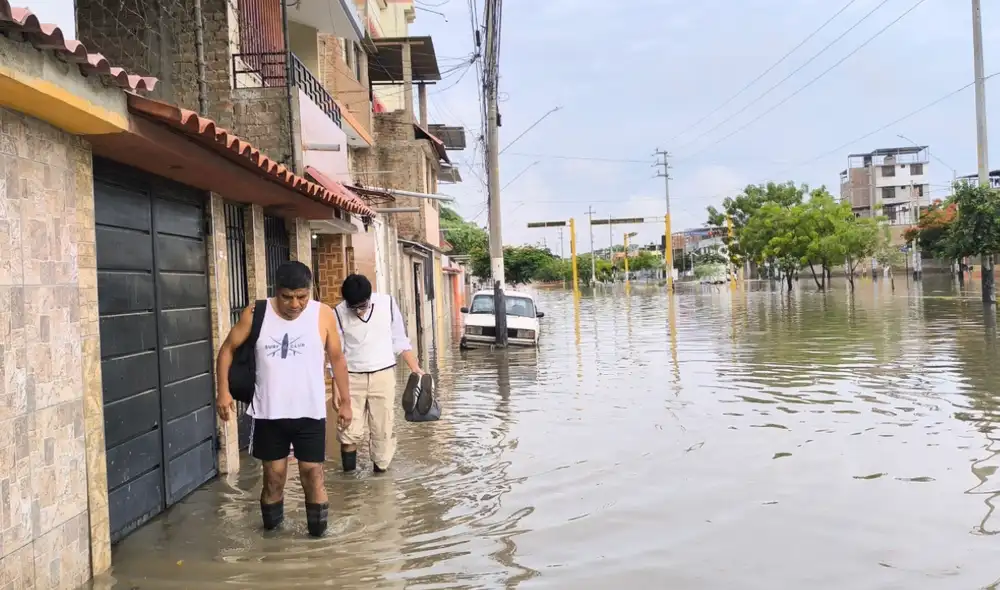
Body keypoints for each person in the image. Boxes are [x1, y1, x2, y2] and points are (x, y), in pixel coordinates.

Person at [215, 261, 351, 537]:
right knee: (273, 478)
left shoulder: (322, 314)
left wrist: (345, 400)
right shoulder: (256, 313)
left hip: (310, 412)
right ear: (276, 291)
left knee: (313, 474)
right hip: (269, 413)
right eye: (287, 297)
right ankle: (272, 541)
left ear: (309, 291)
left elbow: (337, 358)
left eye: (302, 296)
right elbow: (227, 349)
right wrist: (223, 391)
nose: (295, 304)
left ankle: (318, 543)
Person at [335, 274, 423, 473]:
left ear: (370, 297)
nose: (358, 310)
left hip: (383, 375)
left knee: (382, 429)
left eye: (362, 305)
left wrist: (415, 368)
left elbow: (400, 340)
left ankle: (380, 478)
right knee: (348, 430)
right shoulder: (338, 313)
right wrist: (337, 388)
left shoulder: (388, 304)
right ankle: (349, 479)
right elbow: (336, 354)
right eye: (353, 307)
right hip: (351, 378)